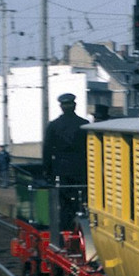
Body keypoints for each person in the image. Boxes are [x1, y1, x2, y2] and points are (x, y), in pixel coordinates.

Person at [42, 93, 88, 232]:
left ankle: (65, 231)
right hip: (82, 169)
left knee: (64, 203)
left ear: (61, 107)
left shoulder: (54, 126)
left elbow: (47, 150)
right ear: (74, 105)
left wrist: (47, 171)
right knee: (83, 199)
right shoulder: (84, 125)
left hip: (61, 169)